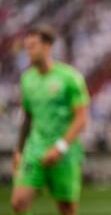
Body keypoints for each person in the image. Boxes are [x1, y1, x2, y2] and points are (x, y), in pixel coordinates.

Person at [11, 25, 90, 215]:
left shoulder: (69, 77)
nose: (29, 51)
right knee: (18, 202)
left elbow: (81, 118)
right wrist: (19, 150)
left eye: (33, 46)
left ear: (48, 46)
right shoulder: (27, 79)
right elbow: (28, 117)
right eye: (27, 47)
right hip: (35, 150)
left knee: (67, 209)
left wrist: (60, 147)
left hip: (65, 153)